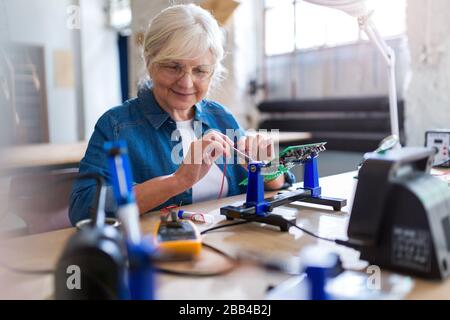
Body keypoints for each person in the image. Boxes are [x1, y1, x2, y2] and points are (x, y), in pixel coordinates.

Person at [69, 4, 294, 225]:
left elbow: (271, 187)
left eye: (200, 70)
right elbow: (83, 208)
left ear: (212, 72)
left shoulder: (221, 117)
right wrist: (178, 181)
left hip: (228, 247)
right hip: (157, 253)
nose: (186, 82)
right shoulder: (116, 125)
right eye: (173, 67)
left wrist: (269, 170)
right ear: (149, 61)